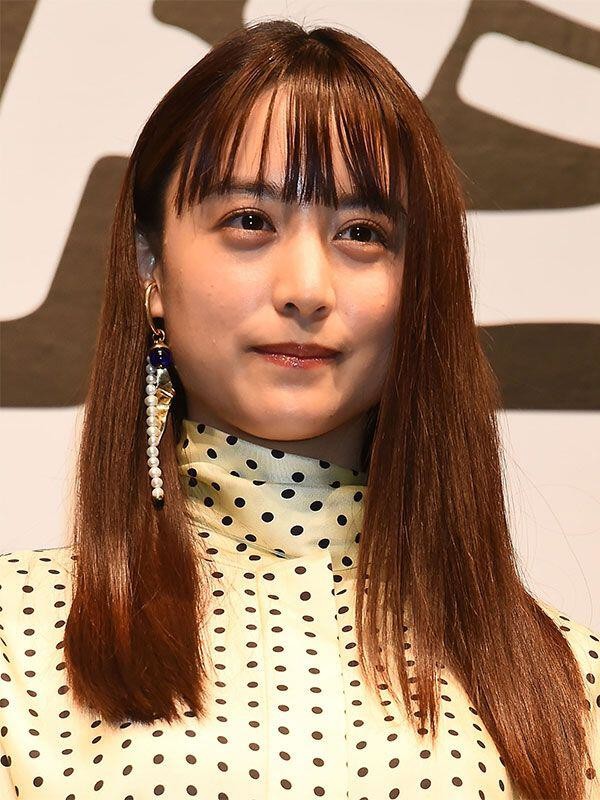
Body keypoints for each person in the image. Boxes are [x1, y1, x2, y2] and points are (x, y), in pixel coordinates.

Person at [0, 18, 598, 800]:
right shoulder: (15, 638)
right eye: (250, 221)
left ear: (421, 284)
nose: (308, 289)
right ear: (152, 267)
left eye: (361, 233)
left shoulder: (569, 679)